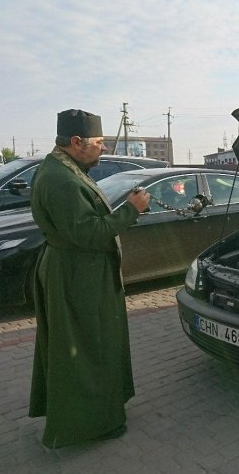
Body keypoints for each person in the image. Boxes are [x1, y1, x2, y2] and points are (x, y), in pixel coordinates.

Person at [28, 109, 151, 448]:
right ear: (76, 142)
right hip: (77, 276)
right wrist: (131, 209)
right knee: (87, 349)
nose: (104, 148)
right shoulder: (61, 179)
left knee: (89, 346)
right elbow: (89, 233)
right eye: (98, 142)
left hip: (78, 271)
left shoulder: (63, 168)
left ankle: (97, 414)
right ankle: (92, 425)